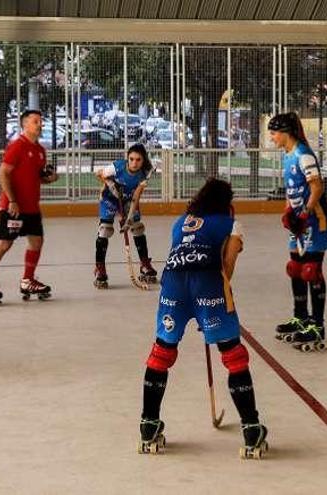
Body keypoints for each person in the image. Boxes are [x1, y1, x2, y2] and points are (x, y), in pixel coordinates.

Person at [139, 178, 268, 459]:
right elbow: (228, 267)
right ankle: (251, 427)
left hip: (172, 282)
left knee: (162, 351)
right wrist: (207, 308)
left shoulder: (182, 221)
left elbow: (179, 252)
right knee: (233, 355)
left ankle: (148, 424)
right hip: (208, 283)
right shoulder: (231, 223)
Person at [0, 110, 58, 304]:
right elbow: (3, 174)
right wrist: (12, 201)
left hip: (32, 207)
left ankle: (28, 280)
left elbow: (37, 177)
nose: (39, 125)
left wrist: (50, 178)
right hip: (14, 207)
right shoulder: (17, 147)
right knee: (5, 243)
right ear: (24, 125)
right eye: (35, 121)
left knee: (36, 241)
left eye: (41, 121)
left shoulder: (40, 150)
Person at [269, 112, 327, 352]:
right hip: (298, 220)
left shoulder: (303, 155)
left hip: (315, 219)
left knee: (311, 270)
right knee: (295, 268)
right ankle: (301, 317)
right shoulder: (287, 156)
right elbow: (290, 189)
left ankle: (317, 325)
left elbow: (317, 187)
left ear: (286, 133)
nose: (272, 138)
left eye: (274, 133)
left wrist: (305, 211)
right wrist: (288, 211)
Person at [93, 143, 157, 289]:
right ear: (127, 158)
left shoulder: (145, 173)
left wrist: (128, 219)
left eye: (138, 160)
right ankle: (100, 268)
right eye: (131, 159)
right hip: (109, 199)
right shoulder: (118, 167)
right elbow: (99, 173)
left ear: (143, 160)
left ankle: (145, 264)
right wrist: (110, 184)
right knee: (105, 230)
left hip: (128, 200)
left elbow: (136, 197)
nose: (134, 163)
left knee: (137, 228)